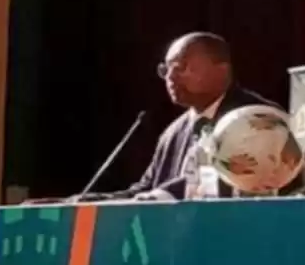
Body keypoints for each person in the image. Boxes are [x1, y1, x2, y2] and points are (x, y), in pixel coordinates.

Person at [82, 32, 291, 201]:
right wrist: (93, 201)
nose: (170, 77)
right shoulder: (173, 131)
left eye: (181, 68)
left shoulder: (258, 119)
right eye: (166, 69)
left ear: (222, 70)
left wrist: (164, 195)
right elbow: (148, 190)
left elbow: (239, 183)